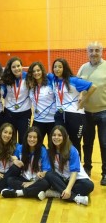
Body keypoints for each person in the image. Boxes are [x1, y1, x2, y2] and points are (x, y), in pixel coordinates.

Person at [51, 58, 96, 159]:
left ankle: (77, 170)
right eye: (55, 67)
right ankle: (61, 167)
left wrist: (83, 99)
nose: (57, 69)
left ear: (65, 68)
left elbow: (93, 87)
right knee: (58, 140)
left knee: (75, 143)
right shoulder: (53, 80)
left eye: (60, 67)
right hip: (60, 115)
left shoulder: (73, 80)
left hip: (75, 115)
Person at [77, 41, 106, 185]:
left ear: (101, 52)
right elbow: (77, 88)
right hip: (86, 113)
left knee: (105, 143)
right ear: (87, 52)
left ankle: (105, 173)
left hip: (104, 112)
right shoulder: (83, 68)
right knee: (87, 144)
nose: (94, 53)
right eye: (91, 51)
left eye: (97, 50)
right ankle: (87, 170)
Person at [44, 125, 94, 206]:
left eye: (59, 135)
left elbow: (74, 172)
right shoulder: (49, 151)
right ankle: (76, 198)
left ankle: (58, 192)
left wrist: (68, 189)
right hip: (62, 180)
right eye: (54, 135)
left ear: (65, 137)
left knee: (89, 186)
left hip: (76, 179)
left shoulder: (72, 150)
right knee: (49, 175)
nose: (56, 137)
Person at [0, 127, 51, 200]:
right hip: (23, 179)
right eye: (30, 137)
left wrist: (32, 183)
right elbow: (14, 160)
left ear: (38, 139)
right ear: (26, 137)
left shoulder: (43, 151)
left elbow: (46, 170)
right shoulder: (20, 148)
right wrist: (15, 160)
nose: (32, 139)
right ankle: (35, 192)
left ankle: (18, 193)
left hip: (37, 180)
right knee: (10, 180)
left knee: (45, 183)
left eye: (34, 137)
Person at [1, 56, 32, 144]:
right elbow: (2, 93)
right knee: (9, 139)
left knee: (23, 139)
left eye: (18, 66)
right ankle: (9, 157)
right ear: (10, 68)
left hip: (24, 113)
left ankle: (21, 157)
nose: (16, 68)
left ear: (22, 66)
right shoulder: (6, 79)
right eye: (13, 67)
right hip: (9, 113)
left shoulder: (28, 77)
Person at [26, 62, 56, 139]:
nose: (36, 73)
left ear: (42, 71)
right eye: (34, 71)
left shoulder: (51, 82)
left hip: (52, 120)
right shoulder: (31, 85)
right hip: (38, 120)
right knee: (35, 145)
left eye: (38, 70)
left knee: (53, 146)